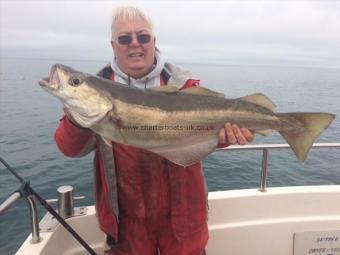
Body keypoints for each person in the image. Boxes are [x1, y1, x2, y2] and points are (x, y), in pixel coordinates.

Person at [55, 6, 254, 255]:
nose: (135, 44)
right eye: (125, 38)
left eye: (143, 36)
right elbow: (70, 148)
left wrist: (224, 137)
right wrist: (74, 117)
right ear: (113, 45)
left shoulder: (184, 86)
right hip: (126, 229)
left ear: (154, 41)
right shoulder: (95, 90)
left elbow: (203, 132)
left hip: (184, 224)